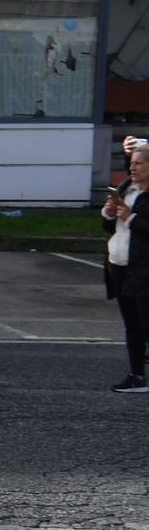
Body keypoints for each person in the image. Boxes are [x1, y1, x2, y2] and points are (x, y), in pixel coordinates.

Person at [102, 137, 149, 393]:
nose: (134, 168)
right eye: (132, 163)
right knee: (132, 326)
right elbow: (110, 227)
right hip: (119, 265)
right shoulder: (126, 188)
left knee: (145, 325)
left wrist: (130, 218)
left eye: (140, 163)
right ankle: (136, 376)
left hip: (143, 268)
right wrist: (110, 212)